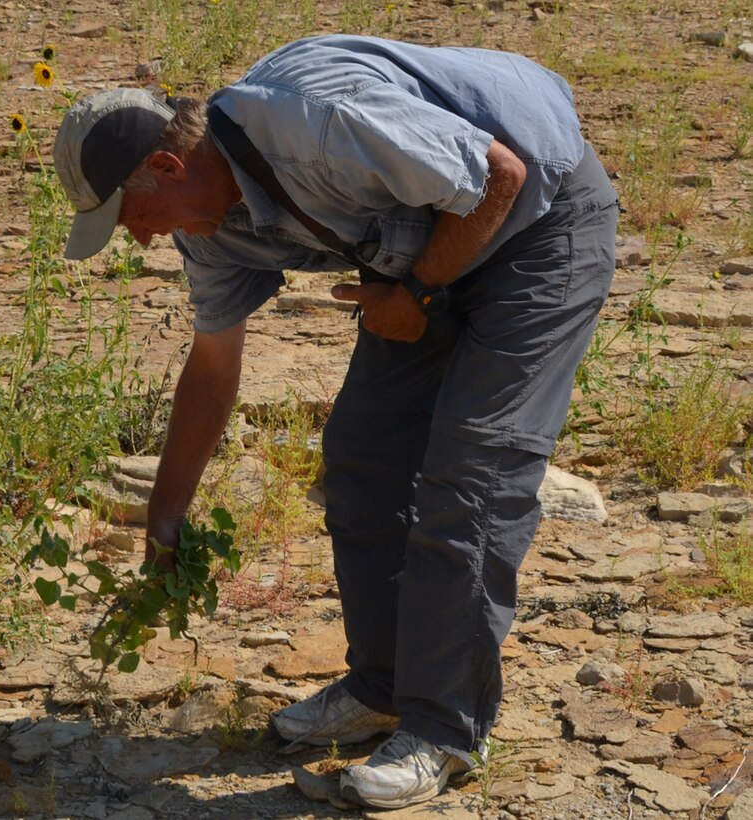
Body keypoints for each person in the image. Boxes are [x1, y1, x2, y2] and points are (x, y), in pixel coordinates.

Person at [52, 34, 618, 809]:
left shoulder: (312, 121)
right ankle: (385, 686)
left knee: (474, 470)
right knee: (362, 454)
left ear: (168, 167)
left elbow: (501, 175)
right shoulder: (208, 224)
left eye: (135, 218)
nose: (143, 239)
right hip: (430, 250)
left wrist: (416, 293)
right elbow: (214, 365)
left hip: (539, 225)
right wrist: (165, 517)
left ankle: (445, 731)